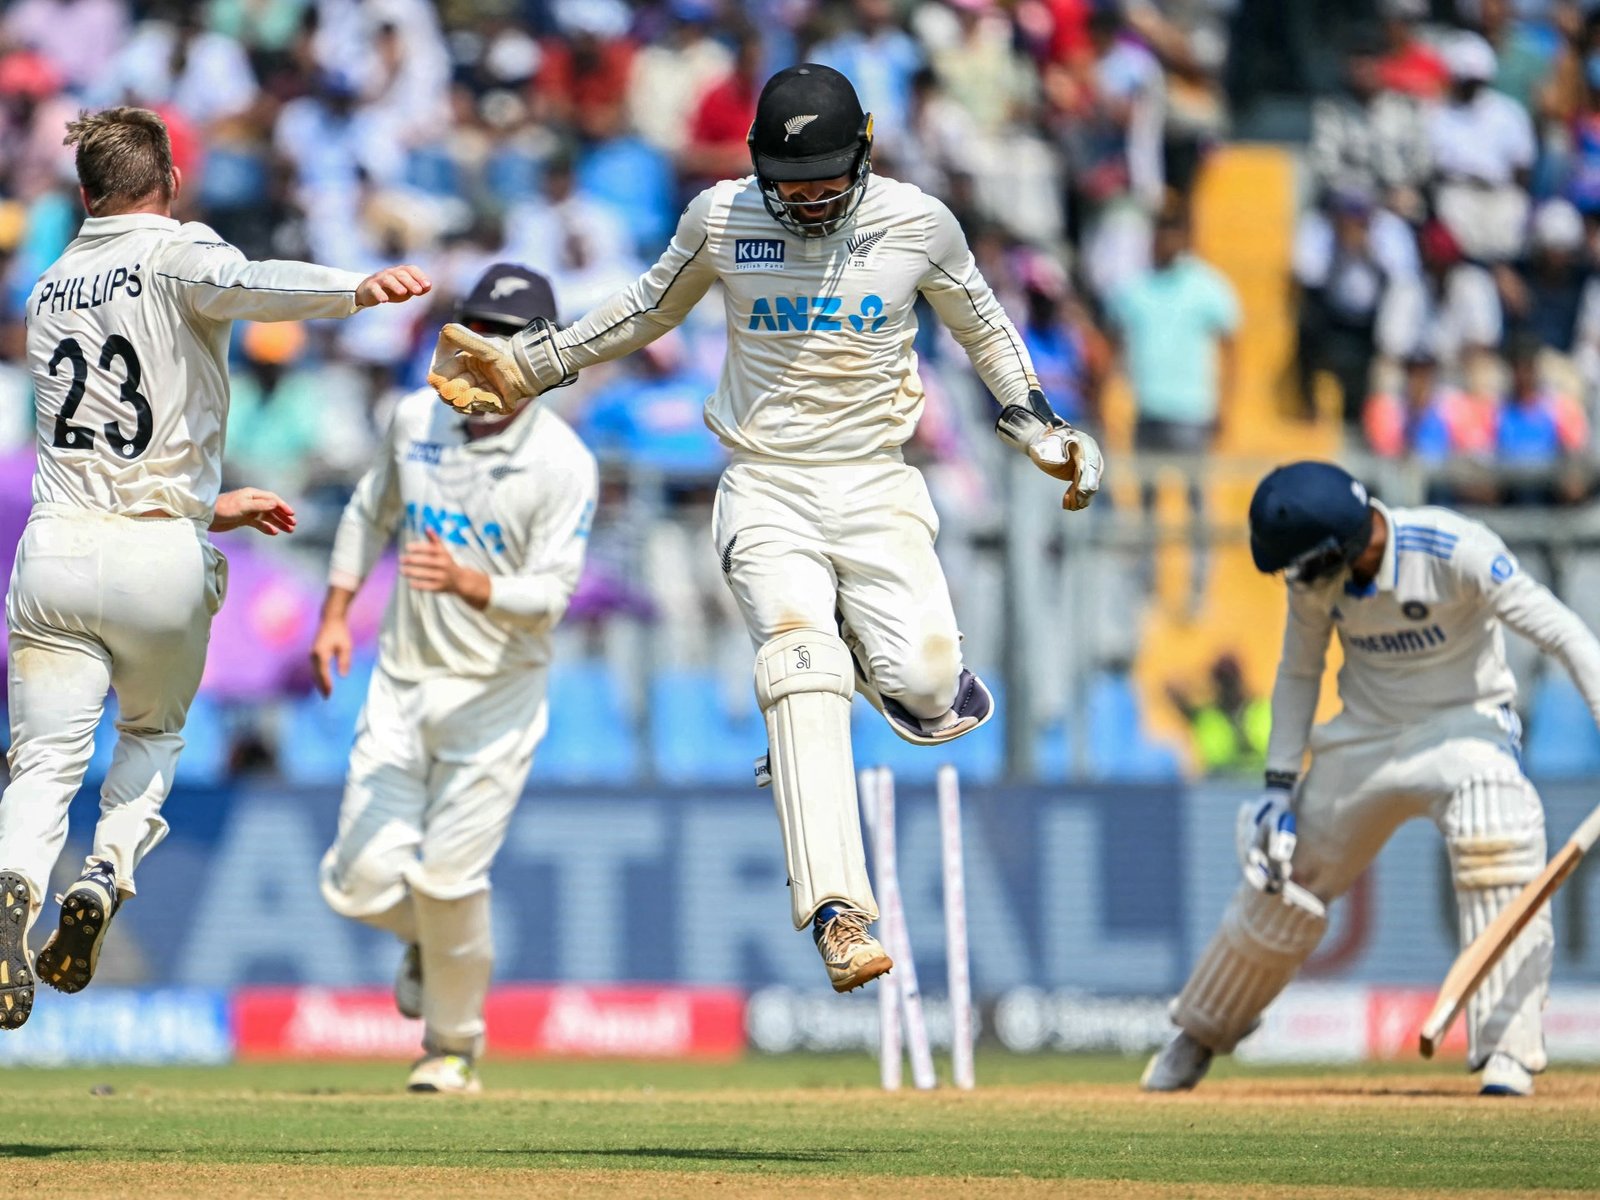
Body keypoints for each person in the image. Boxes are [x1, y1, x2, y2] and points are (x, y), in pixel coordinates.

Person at [427, 64, 1102, 994]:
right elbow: (644, 309)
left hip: (876, 484)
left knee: (929, 685)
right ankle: (838, 912)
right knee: (800, 663)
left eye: (829, 181)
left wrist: (1040, 423)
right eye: (793, 186)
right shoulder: (722, 217)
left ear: (864, 151)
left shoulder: (918, 223)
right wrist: (531, 363)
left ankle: (865, 668)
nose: (812, 201)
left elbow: (984, 328)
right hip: (765, 484)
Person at [0, 106, 428, 1029]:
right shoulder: (177, 250)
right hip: (157, 551)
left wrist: (211, 501)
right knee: (151, 734)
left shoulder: (46, 287)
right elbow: (252, 281)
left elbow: (95, 437)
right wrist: (355, 289)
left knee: (40, 761)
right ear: (173, 185)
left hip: (56, 550)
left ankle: (14, 887)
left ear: (84, 197)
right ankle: (106, 874)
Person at [1142, 460, 1600, 1098]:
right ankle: (1197, 1034)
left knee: (1496, 835)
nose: (1295, 581)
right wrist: (1278, 787)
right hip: (1365, 739)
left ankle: (1507, 1052)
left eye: (1301, 565)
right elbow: (1299, 674)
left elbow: (1565, 634)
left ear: (1342, 549)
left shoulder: (1455, 549)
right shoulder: (1317, 580)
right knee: (1284, 875)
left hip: (1463, 729)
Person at [312, 265, 596, 1095]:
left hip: (496, 701)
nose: (490, 349)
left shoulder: (562, 462)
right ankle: (439, 948)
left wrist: (471, 583)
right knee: (355, 884)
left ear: (544, 351)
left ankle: (452, 1046)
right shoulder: (415, 417)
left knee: (447, 882)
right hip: (402, 682)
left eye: (511, 336)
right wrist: (335, 613)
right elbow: (370, 512)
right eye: (480, 327)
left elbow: (551, 599)